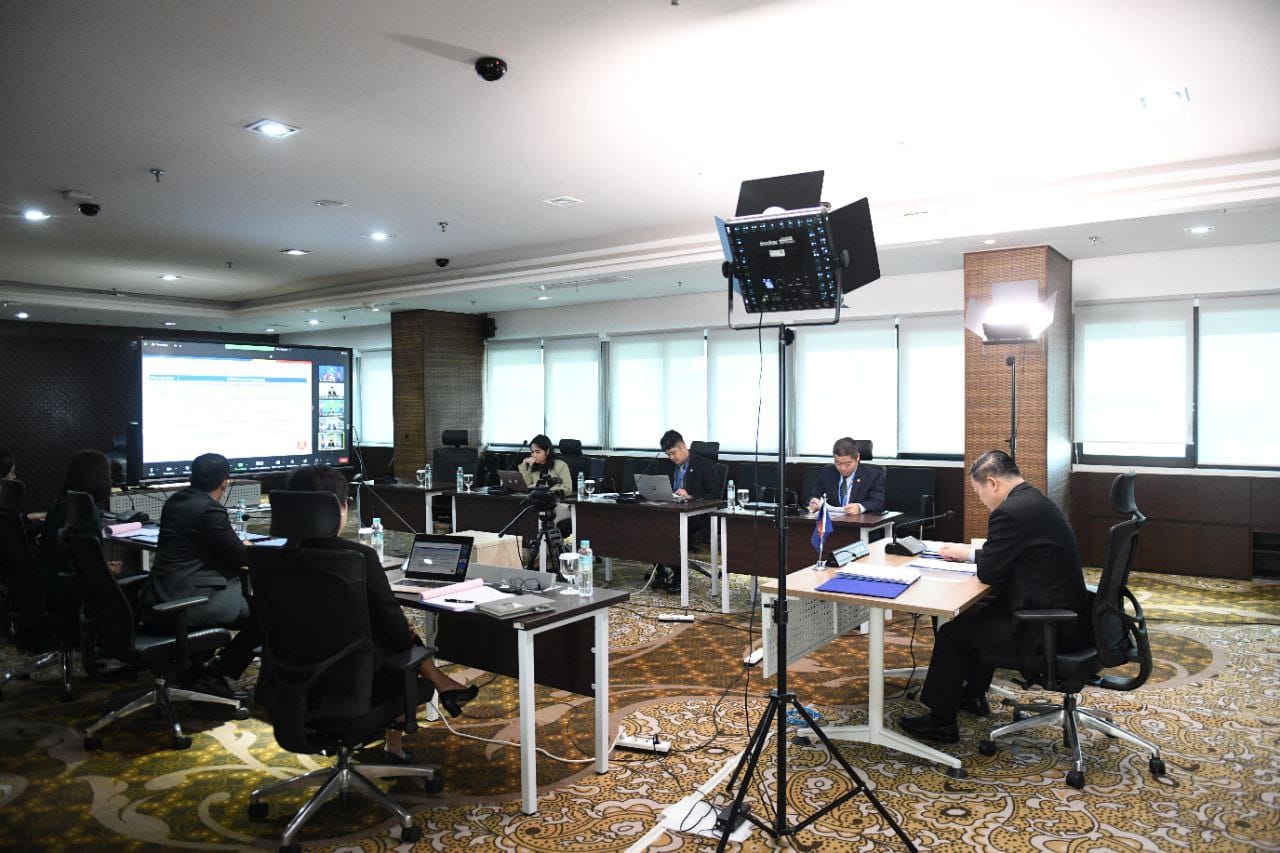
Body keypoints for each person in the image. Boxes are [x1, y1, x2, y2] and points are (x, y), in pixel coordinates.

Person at [285, 463, 478, 760]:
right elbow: (393, 623)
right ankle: (402, 736)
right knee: (398, 642)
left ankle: (426, 706)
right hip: (353, 684)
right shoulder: (357, 557)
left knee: (382, 633)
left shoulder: (272, 556)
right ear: (340, 508)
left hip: (290, 681)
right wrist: (414, 645)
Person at [897, 450, 1091, 744]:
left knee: (953, 634)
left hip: (1044, 626)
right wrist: (972, 554)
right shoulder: (1034, 499)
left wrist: (977, 557)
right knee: (977, 616)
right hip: (1068, 614)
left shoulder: (1009, 512)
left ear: (992, 483)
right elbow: (1014, 554)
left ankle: (941, 722)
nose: (981, 500)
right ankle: (972, 696)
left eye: (978, 492)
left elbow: (990, 573)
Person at [139, 453, 259, 697]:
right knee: (266, 614)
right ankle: (214, 673)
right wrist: (247, 549)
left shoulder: (176, 500)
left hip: (162, 593)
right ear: (224, 483)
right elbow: (240, 557)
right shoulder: (209, 510)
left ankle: (195, 672)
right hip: (192, 599)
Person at [38, 449, 114, 608]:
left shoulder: (58, 505)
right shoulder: (87, 513)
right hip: (78, 590)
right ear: (100, 480)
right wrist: (110, 569)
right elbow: (93, 572)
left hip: (54, 586)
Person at [649, 430, 720, 593]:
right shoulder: (667, 465)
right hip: (670, 512)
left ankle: (679, 576)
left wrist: (690, 496)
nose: (671, 457)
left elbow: (715, 495)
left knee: (673, 530)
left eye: (673, 453)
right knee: (649, 527)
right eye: (668, 454)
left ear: (682, 446)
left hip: (696, 516)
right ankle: (661, 571)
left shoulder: (704, 465)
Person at [807, 437, 884, 515]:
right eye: (838, 463)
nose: (842, 468)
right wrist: (814, 502)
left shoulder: (872, 475)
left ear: (857, 457)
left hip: (857, 521)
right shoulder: (827, 472)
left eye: (847, 464)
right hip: (831, 520)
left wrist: (859, 507)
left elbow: (877, 502)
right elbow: (815, 495)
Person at [518, 434, 572, 526]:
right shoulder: (533, 467)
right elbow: (526, 485)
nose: (534, 455)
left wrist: (542, 488)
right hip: (538, 503)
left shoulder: (561, 465)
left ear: (547, 451)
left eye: (537, 452)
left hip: (556, 504)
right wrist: (524, 465)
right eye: (532, 452)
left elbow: (568, 489)